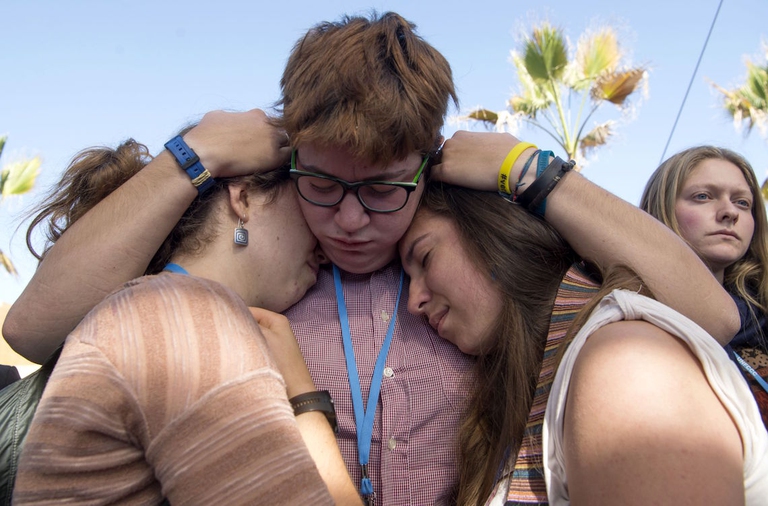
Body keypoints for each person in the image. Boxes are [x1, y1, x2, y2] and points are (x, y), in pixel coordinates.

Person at [3, 12, 740, 504]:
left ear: (427, 164)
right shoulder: (251, 273)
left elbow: (712, 316)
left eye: (385, 190)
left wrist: (531, 169)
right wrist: (191, 157)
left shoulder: (472, 249)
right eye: (323, 185)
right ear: (287, 160)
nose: (350, 221)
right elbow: (36, 328)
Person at [400, 134, 768, 505]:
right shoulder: (530, 385)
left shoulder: (626, 363)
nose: (413, 301)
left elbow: (721, 318)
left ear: (494, 233)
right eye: (703, 196)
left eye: (426, 257)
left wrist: (522, 167)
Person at [12, 137, 360, 505]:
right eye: (311, 201)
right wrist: (306, 402)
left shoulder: (148, 308)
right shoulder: (187, 318)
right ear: (243, 199)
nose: (326, 246)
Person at [641, 146, 768, 428]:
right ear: (661, 208)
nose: (729, 212)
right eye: (703, 196)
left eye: (743, 203)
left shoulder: (761, 314)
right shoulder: (632, 316)